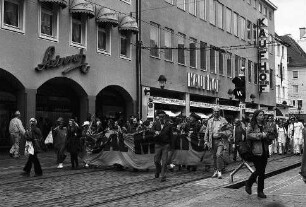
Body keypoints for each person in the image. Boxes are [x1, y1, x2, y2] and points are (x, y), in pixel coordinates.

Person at [245, 109, 272, 199]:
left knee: (262, 172)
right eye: (260, 115)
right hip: (255, 151)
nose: (262, 116)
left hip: (264, 150)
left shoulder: (265, 125)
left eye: (263, 115)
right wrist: (260, 135)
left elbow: (269, 134)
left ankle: (260, 191)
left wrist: (269, 136)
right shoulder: (251, 125)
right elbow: (248, 135)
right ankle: (249, 183)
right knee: (259, 170)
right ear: (256, 116)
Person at [204, 107, 231, 179]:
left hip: (221, 140)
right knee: (214, 156)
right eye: (215, 111)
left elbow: (229, 130)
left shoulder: (223, 120)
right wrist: (206, 141)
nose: (216, 113)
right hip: (212, 141)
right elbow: (207, 131)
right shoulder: (209, 121)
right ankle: (215, 170)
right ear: (213, 112)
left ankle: (219, 171)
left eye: (218, 111)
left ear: (220, 112)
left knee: (218, 155)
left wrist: (224, 133)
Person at [153, 115, 173, 182]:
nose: (161, 119)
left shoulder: (169, 125)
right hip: (158, 144)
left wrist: (171, 146)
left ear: (165, 118)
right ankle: (158, 170)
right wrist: (155, 132)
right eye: (160, 118)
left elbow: (171, 136)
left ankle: (163, 176)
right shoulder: (156, 123)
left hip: (165, 145)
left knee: (164, 161)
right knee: (156, 160)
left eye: (162, 118)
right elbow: (151, 131)